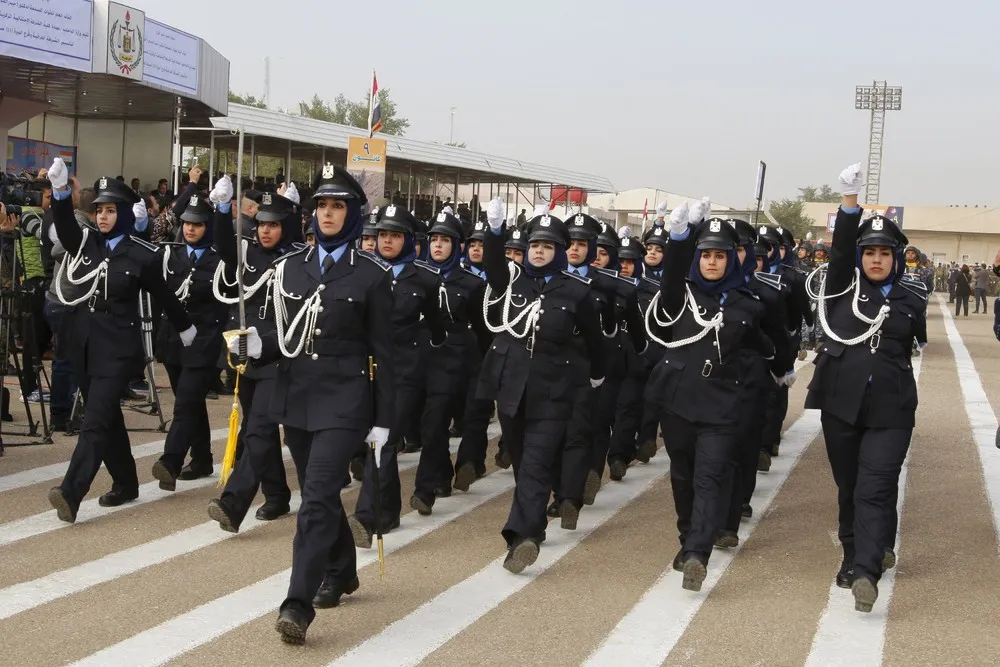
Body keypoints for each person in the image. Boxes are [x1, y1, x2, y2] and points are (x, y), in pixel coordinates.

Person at [232, 164, 396, 644]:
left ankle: (296, 605)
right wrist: (253, 344)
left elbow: (388, 356)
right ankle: (343, 569)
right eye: (321, 205)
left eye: (337, 206)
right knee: (317, 496)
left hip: (345, 402)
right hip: (296, 396)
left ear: (352, 214)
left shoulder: (372, 275)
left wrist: (384, 422)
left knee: (318, 498)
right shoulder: (289, 266)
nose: (327, 214)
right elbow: (276, 329)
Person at [44, 158, 194, 521]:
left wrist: (186, 328)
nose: (103, 218)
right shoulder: (87, 243)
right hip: (82, 343)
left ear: (125, 213)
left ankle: (71, 491)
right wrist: (62, 194)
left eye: (111, 211)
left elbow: (165, 296)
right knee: (107, 419)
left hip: (116, 349)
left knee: (94, 420)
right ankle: (126, 482)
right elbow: (64, 230)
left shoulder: (142, 255)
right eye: (99, 211)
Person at [806, 162, 927, 613]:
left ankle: (866, 569)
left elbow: (914, 344)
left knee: (876, 486)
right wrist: (849, 204)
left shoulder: (912, 299)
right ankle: (855, 550)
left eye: (885, 253)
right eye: (870, 252)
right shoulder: (840, 289)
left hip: (892, 409)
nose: (877, 259)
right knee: (850, 484)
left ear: (896, 258)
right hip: (841, 403)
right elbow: (838, 255)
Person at [644, 200, 773, 592]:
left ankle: (698, 552)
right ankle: (689, 538)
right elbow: (669, 280)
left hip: (722, 406)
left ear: (732, 260)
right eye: (706, 256)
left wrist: (777, 365)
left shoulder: (748, 304)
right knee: (682, 475)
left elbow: (762, 347)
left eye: (720, 255)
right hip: (680, 400)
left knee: (710, 478)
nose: (712, 262)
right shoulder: (679, 295)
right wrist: (680, 237)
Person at [478, 198, 605, 573]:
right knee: (521, 459)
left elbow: (594, 339)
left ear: (560, 252)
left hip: (554, 390)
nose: (539, 251)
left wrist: (596, 373)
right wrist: (494, 231)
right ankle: (532, 518)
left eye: (547, 246)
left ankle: (524, 536)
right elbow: (493, 268)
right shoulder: (512, 280)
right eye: (535, 245)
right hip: (513, 388)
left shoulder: (576, 291)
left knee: (535, 463)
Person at [347, 203, 445, 548]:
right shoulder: (361, 272)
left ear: (409, 240)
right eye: (382, 235)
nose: (386, 241)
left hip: (403, 372)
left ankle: (366, 517)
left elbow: (438, 330)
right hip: (365, 369)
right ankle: (388, 510)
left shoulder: (426, 279)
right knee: (369, 441)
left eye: (395, 236)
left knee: (384, 442)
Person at [206, 183, 299, 532]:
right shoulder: (247, 253)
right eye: (261, 223)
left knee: (258, 429)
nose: (266, 230)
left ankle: (233, 503)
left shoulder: (298, 260)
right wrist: (220, 209)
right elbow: (222, 244)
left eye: (274, 224)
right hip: (246, 355)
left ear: (286, 225)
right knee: (255, 428)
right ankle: (276, 494)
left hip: (278, 356)